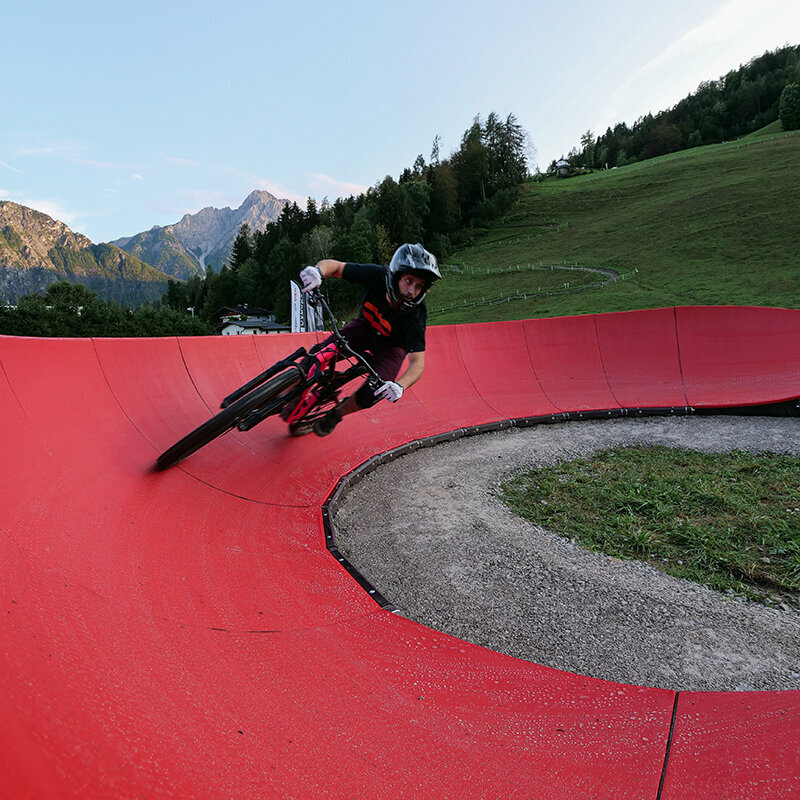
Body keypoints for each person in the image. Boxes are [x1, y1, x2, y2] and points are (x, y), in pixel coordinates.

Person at [297, 242, 441, 437]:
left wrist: (400, 385)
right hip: (364, 328)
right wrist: (318, 272)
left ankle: (336, 414)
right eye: (409, 280)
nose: (412, 291)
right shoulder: (376, 275)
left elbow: (417, 363)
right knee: (318, 353)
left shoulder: (417, 316)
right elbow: (336, 266)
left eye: (419, 286)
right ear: (396, 275)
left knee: (373, 394)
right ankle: (288, 392)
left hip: (391, 349)